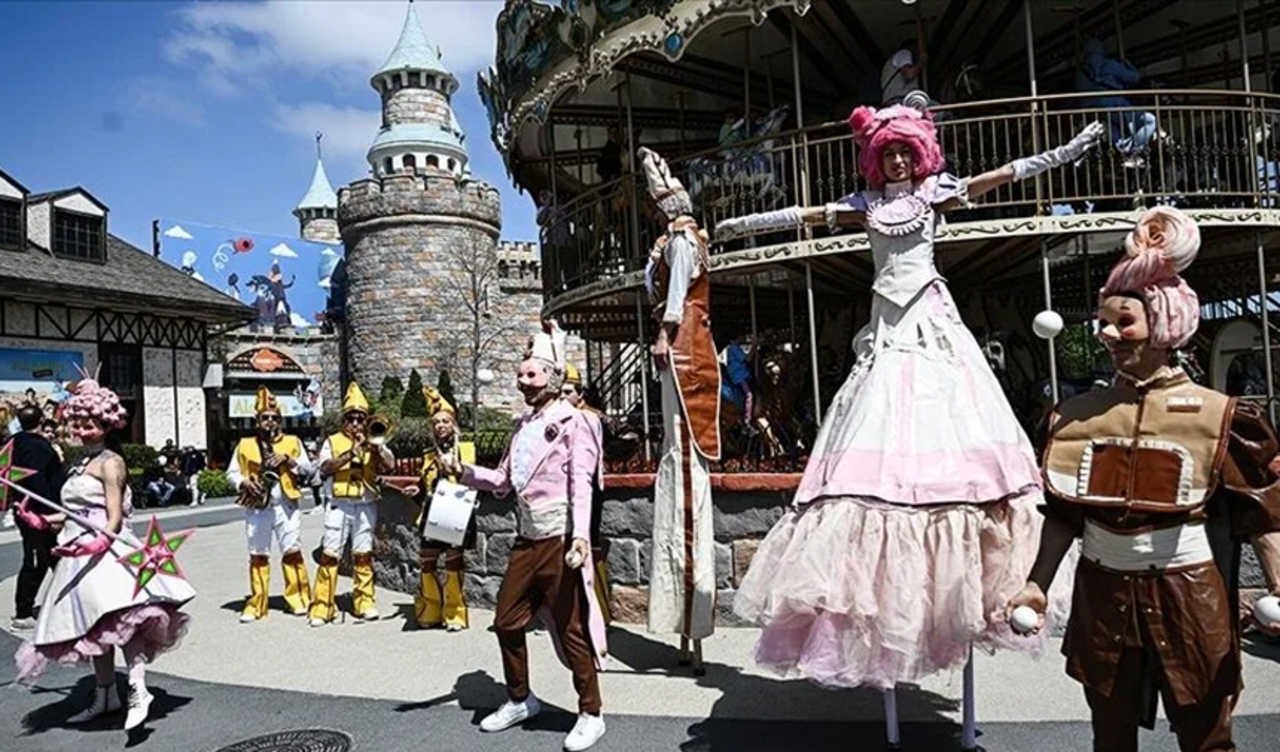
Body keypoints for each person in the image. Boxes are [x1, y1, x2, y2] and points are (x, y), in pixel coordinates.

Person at [712, 105, 1102, 731]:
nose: (896, 161)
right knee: (874, 447)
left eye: (904, 152)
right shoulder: (864, 203)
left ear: (919, 154)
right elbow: (804, 216)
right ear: (876, 156)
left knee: (952, 429)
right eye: (887, 152)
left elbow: (1003, 175)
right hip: (887, 329)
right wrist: (740, 223)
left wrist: (1065, 153)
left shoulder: (935, 194)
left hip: (929, 322)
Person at [1007, 206, 1280, 752]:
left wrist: (1279, 583)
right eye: (1103, 322)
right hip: (1103, 594)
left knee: (1207, 733)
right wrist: (1035, 584)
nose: (1108, 334)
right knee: (1109, 735)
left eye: (1122, 321)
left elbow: (1261, 513)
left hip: (1189, 593)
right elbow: (1064, 515)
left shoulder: (1219, 415)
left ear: (1163, 323)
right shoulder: (1074, 416)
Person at [442, 321, 608, 752]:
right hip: (526, 538)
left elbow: (581, 484)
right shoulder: (522, 427)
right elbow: (502, 482)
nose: (523, 382)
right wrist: (462, 472)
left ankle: (591, 712)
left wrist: (581, 537)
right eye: (522, 375)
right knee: (505, 622)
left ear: (553, 378)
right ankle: (520, 698)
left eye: (532, 375)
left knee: (572, 630)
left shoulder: (577, 422)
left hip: (559, 538)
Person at [14, 376, 194, 730]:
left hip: (108, 552)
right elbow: (72, 514)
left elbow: (112, 518)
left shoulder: (111, 462)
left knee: (123, 621)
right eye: (77, 422)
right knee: (94, 629)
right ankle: (106, 696)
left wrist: (98, 542)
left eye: (89, 422)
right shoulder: (81, 463)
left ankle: (138, 689)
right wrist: (39, 519)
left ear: (106, 424)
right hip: (78, 553)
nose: (81, 428)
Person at [637, 146, 723, 671]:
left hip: (687, 350)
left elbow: (675, 294)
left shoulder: (682, 242)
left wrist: (667, 333)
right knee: (677, 464)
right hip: (682, 348)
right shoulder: (675, 242)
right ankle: (683, 627)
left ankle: (692, 622)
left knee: (687, 472)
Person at [226, 386, 313, 622]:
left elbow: (308, 469)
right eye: (265, 418)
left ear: (280, 420)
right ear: (257, 420)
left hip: (286, 504)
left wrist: (289, 460)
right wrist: (243, 483)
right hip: (257, 504)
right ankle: (257, 603)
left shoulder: (293, 441)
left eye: (275, 418)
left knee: (292, 551)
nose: (270, 422)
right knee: (258, 554)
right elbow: (231, 473)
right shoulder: (244, 444)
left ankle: (297, 598)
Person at [310, 382, 394, 626]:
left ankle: (364, 601)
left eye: (360, 419)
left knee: (363, 555)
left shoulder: (374, 440)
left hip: (366, 503)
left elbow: (390, 466)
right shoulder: (333, 441)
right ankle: (322, 606)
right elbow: (324, 468)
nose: (356, 424)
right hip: (339, 504)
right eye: (351, 419)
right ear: (344, 420)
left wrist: (376, 448)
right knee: (330, 554)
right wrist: (349, 454)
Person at [406, 385, 476, 630]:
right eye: (436, 423)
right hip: (432, 514)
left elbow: (472, 480)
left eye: (445, 421)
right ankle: (431, 610)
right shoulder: (427, 454)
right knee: (427, 561)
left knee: (453, 562)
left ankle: (454, 613)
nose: (440, 426)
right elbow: (425, 485)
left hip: (455, 513)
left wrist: (454, 467)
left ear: (453, 424)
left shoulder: (465, 449)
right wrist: (417, 491)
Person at [561, 363, 613, 627]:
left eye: (568, 391)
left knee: (590, 546)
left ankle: (600, 611)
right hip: (563, 492)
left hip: (589, 490)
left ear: (580, 394)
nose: (563, 396)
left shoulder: (594, 418)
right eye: (560, 391)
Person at [10, 405, 67, 631]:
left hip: (26, 510)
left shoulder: (14, 444)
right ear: (41, 421)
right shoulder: (37, 447)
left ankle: (70, 599)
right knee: (36, 561)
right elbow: (37, 483)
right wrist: (51, 515)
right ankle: (23, 613)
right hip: (37, 513)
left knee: (59, 559)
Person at [1075, 36, 1156, 161]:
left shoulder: (1080, 74)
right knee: (1149, 120)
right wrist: (1127, 64)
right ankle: (1135, 152)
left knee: (1115, 128)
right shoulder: (1108, 65)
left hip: (1095, 110)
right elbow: (1134, 78)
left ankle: (1124, 152)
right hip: (1116, 104)